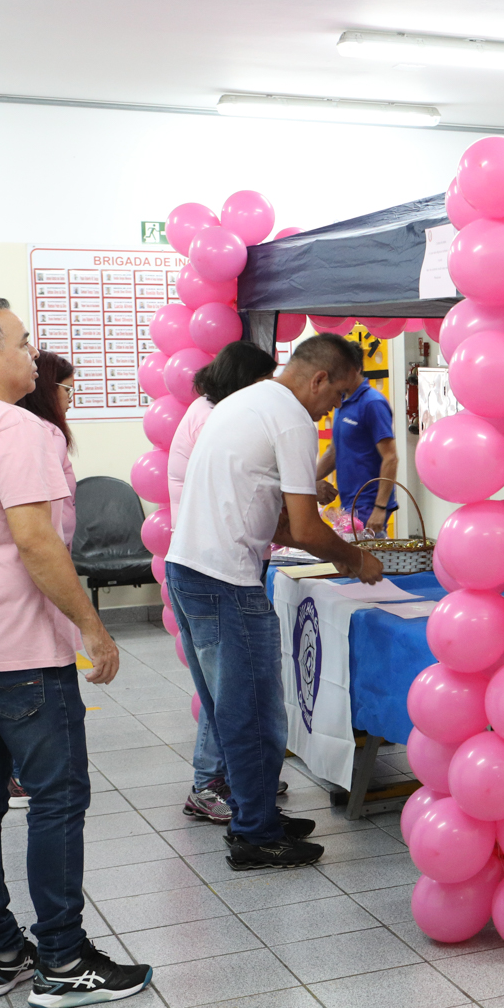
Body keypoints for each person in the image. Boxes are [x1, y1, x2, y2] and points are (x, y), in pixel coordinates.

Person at [0, 295, 151, 1008]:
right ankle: (65, 961)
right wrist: (92, 629)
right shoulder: (17, 430)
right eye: (22, 341)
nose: (32, 354)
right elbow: (37, 541)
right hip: (17, 650)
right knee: (58, 796)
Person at [166, 334, 382, 870]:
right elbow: (305, 528)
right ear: (318, 380)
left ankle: (255, 811)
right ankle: (256, 835)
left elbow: (276, 514)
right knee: (255, 712)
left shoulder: (243, 400)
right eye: (336, 398)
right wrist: (356, 560)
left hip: (188, 568)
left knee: (231, 708)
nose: (335, 410)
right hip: (226, 581)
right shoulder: (290, 418)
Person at [165, 341, 278, 824]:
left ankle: (235, 778)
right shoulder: (220, 417)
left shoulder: (208, 409)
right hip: (214, 566)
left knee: (222, 689)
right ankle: (210, 784)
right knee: (229, 692)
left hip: (200, 560)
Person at [6, 350, 79, 810]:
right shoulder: (42, 434)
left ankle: (17, 773)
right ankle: (24, 776)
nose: (71, 398)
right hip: (43, 568)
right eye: (68, 389)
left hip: (40, 567)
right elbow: (45, 523)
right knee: (37, 683)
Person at [314, 371, 398, 535]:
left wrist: (380, 508)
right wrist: (307, 484)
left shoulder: (373, 403)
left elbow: (391, 457)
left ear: (353, 368)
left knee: (367, 556)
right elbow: (333, 452)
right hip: (349, 503)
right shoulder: (342, 402)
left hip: (369, 503)